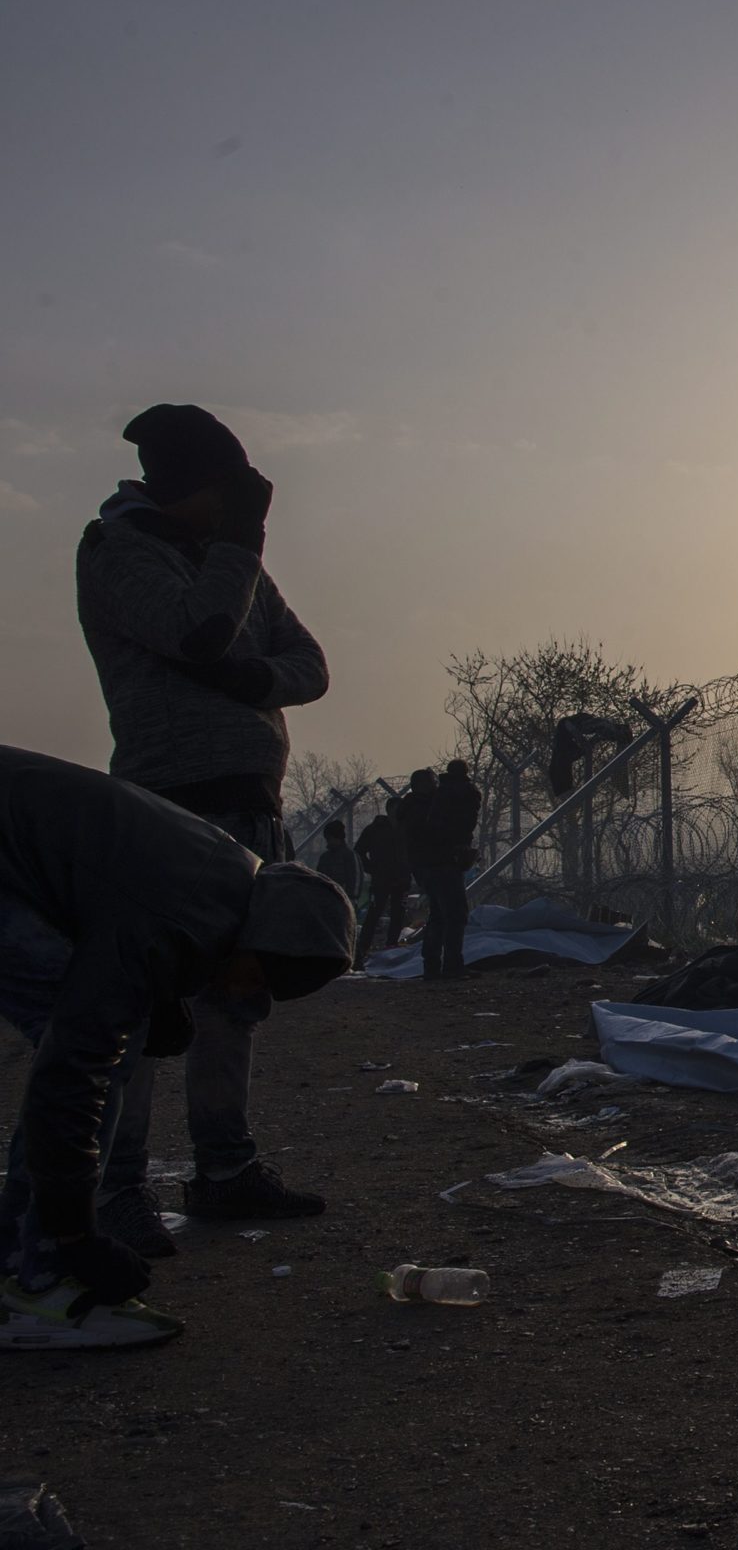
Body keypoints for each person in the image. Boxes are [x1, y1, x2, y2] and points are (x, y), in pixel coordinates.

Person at [74, 403, 333, 1253]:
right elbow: (198, 632)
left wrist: (246, 677)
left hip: (250, 801)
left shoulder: (228, 562)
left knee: (236, 993)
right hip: (164, 801)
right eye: (229, 491)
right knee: (148, 1007)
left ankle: (224, 1168)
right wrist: (241, 557)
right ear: (191, 486)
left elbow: (308, 665)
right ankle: (115, 1190)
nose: (242, 511)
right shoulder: (122, 553)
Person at [0, 745, 353, 1348]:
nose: (244, 994)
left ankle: (23, 1260)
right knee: (96, 1054)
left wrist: (156, 997)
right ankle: (40, 1278)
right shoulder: (174, 914)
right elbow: (72, 1069)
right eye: (259, 978)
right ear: (263, 942)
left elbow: (101, 897)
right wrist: (77, 1235)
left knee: (112, 1035)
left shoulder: (226, 875)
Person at [418, 760, 481, 980]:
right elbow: (463, 824)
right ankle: (453, 964)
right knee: (455, 914)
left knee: (437, 915)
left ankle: (432, 965)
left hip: (432, 862)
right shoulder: (462, 793)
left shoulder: (439, 794)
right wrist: (460, 847)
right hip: (447, 861)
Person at [353, 800, 412, 959]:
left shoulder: (407, 829)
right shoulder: (375, 830)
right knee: (374, 914)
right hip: (382, 879)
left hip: (401, 878)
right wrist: (372, 868)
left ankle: (391, 946)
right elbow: (359, 851)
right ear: (390, 810)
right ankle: (362, 949)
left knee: (398, 914)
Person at [314, 819, 360, 903]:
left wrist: (352, 898)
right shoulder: (325, 857)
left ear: (337, 837)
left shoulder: (349, 856)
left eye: (329, 838)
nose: (327, 841)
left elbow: (354, 879)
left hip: (342, 900)